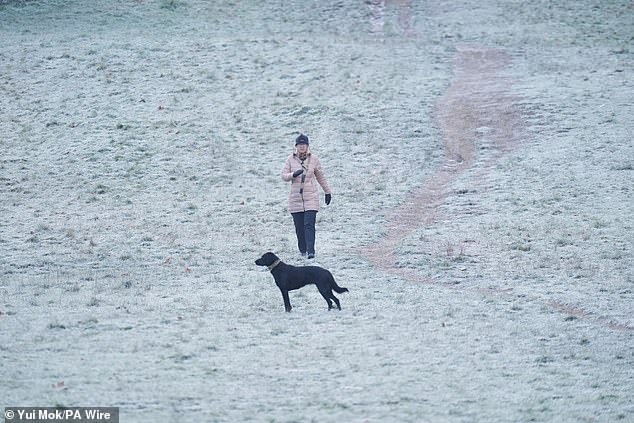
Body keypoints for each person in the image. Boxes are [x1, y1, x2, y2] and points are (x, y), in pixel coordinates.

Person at [281, 134, 332, 259]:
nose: (302, 147)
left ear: (308, 146)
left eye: (304, 144)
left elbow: (321, 176)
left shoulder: (314, 159)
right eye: (299, 145)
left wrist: (327, 191)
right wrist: (293, 174)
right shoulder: (290, 160)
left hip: (311, 198)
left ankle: (311, 251)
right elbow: (283, 175)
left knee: (309, 225)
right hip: (295, 199)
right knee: (299, 227)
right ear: (296, 147)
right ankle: (303, 250)